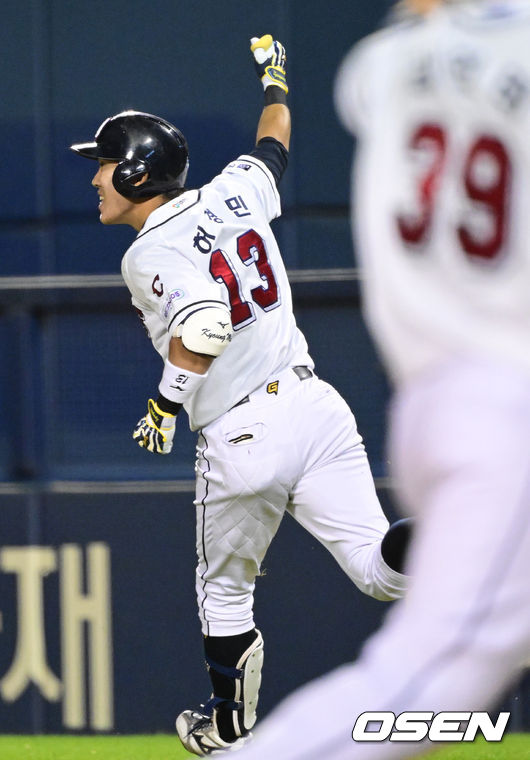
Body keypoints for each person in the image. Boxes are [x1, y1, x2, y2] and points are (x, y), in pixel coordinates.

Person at [70, 34, 411, 756]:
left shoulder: (147, 253)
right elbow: (275, 141)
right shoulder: (234, 189)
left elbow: (206, 321)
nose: (95, 178)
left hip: (240, 430)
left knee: (224, 594)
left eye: (102, 165)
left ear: (135, 173)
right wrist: (276, 75)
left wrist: (165, 404)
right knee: (383, 571)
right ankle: (475, 544)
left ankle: (226, 732)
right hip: (315, 404)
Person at [231, 2, 530, 759]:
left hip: (435, 404)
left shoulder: (386, 62)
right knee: (429, 675)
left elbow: (385, 72)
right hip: (508, 396)